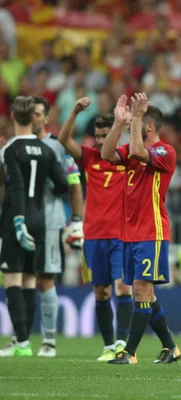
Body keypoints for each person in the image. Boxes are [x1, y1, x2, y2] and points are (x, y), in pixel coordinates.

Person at [101, 93, 180, 364]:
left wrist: (134, 117)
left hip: (152, 231)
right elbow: (106, 154)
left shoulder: (165, 152)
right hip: (131, 233)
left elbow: (136, 150)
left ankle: (130, 352)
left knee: (141, 289)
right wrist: (118, 124)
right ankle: (170, 347)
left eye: (139, 122)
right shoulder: (133, 150)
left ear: (149, 127)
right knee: (144, 291)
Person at [57, 97, 134, 361]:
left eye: (106, 135)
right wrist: (75, 112)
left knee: (123, 286)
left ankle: (123, 342)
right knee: (100, 291)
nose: (102, 141)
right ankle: (109, 345)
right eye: (99, 136)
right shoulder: (90, 158)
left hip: (121, 234)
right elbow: (63, 140)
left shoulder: (127, 158)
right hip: (93, 235)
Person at [0, 96, 68, 357]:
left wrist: (18, 221)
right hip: (41, 220)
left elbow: (16, 187)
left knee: (12, 281)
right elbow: (63, 184)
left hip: (16, 219)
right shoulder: (46, 150)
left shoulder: (11, 150)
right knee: (29, 281)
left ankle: (21, 342)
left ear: (13, 119)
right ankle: (23, 341)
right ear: (33, 118)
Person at [33, 96, 85, 357]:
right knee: (15, 280)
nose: (32, 118)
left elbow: (74, 181)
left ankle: (49, 341)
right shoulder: (12, 145)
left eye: (37, 113)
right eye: (28, 113)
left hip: (49, 221)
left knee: (44, 278)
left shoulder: (56, 146)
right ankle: (20, 340)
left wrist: (76, 221)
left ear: (46, 118)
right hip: (17, 221)